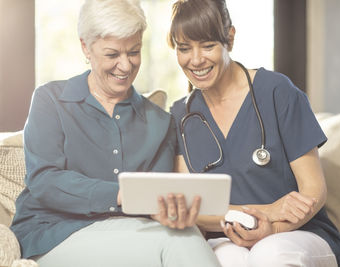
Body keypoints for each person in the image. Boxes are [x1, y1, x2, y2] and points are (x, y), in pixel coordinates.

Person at [10, 0, 221, 266]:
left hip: (131, 234)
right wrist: (121, 194)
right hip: (52, 234)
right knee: (179, 242)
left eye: (134, 52)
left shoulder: (160, 121)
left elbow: (153, 199)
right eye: (112, 55)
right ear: (85, 47)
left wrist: (168, 212)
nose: (125, 66)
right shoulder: (50, 100)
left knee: (185, 235)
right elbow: (44, 181)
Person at [167, 0, 340, 266]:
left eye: (208, 46)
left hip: (298, 233)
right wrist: (264, 212)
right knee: (222, 260)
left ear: (229, 38)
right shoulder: (180, 115)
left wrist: (273, 227)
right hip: (227, 238)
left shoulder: (277, 92)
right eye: (184, 48)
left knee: (271, 254)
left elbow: (314, 189)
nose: (195, 60)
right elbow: (193, 210)